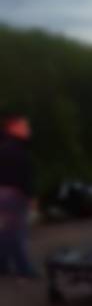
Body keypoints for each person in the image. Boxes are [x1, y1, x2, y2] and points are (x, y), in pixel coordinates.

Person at [0, 113, 36, 277]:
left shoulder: (5, 146)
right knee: (17, 232)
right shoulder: (16, 149)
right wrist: (31, 196)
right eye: (24, 126)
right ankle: (23, 268)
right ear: (13, 128)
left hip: (4, 193)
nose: (27, 129)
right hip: (14, 194)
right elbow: (23, 174)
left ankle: (3, 264)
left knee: (6, 231)